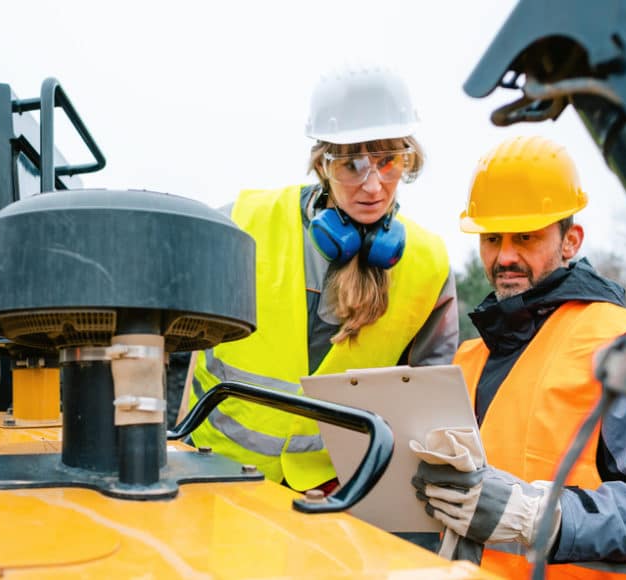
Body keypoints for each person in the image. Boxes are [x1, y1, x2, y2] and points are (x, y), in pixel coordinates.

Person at [410, 136, 626, 579]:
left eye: (526, 236)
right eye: (492, 238)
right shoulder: (469, 360)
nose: (505, 256)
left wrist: (548, 518)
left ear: (570, 241)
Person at [186, 63, 459, 493]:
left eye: (389, 163)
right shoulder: (243, 224)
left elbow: (426, 410)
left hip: (334, 499)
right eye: (353, 165)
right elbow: (164, 343)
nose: (373, 187)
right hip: (215, 480)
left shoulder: (430, 264)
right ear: (322, 165)